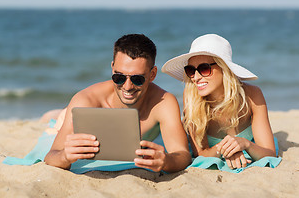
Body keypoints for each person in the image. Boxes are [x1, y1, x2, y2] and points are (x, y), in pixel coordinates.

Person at [44, 34, 191, 173]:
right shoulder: (86, 100)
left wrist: (166, 161)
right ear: (112, 67)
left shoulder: (163, 102)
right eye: (119, 77)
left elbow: (182, 154)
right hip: (70, 114)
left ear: (152, 74)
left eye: (137, 79)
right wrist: (64, 156)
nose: (127, 87)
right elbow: (51, 155)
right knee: (56, 121)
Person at [162, 34, 276, 170]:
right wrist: (228, 149)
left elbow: (269, 153)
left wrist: (245, 144)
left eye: (204, 69)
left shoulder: (252, 95)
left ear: (224, 68)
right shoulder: (191, 96)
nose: (196, 78)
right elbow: (201, 154)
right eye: (191, 70)